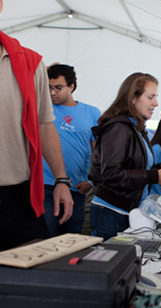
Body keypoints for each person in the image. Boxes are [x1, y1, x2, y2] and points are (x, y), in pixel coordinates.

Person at [0, 0, 73, 254]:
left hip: (24, 199)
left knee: (39, 280)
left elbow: (45, 126)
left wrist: (61, 180)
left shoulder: (31, 64)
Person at [88, 73, 161, 239]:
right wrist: (155, 175)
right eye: (150, 97)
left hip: (126, 211)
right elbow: (112, 174)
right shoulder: (119, 128)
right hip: (112, 212)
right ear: (133, 98)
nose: (156, 103)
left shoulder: (136, 128)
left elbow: (134, 167)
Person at [43, 64, 101, 236]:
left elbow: (98, 152)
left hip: (76, 188)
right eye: (49, 88)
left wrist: (91, 181)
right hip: (45, 186)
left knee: (70, 242)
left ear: (71, 87)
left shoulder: (92, 112)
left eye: (58, 88)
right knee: (46, 240)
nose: (52, 93)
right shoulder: (43, 108)